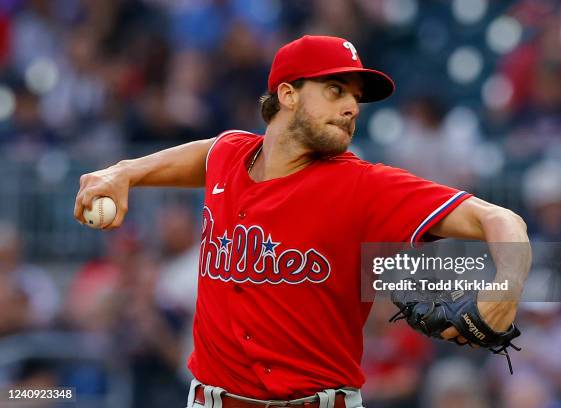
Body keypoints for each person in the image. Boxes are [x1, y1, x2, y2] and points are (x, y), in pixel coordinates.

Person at [74, 35, 531, 408]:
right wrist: (122, 172)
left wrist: (506, 288)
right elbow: (205, 153)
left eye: (356, 97)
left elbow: (501, 219)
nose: (352, 107)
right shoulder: (231, 154)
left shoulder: (365, 185)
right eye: (335, 90)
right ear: (287, 94)